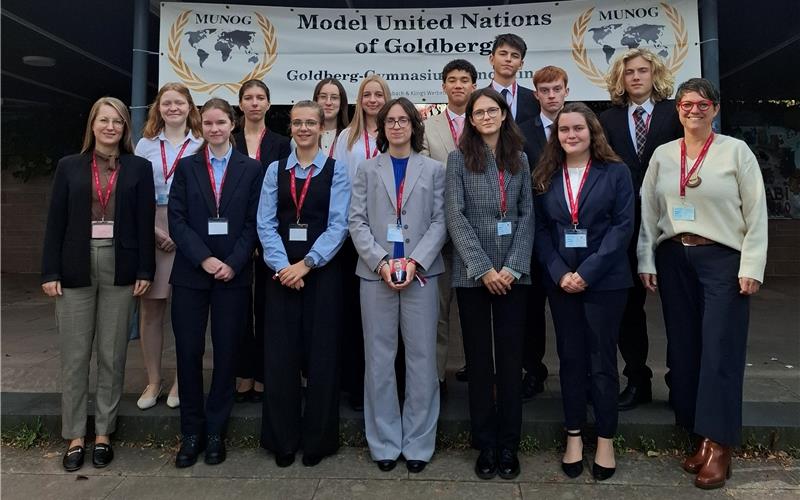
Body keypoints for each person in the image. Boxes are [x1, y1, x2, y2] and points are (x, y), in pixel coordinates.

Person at [637, 78, 768, 490]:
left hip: (722, 259)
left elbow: (757, 211)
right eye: (686, 104)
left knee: (720, 349)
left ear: (714, 109)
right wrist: (647, 258)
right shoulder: (663, 154)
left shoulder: (735, 152)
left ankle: (720, 444)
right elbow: (648, 211)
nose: (693, 110)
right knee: (687, 347)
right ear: (677, 109)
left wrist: (752, 266)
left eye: (702, 104)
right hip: (675, 257)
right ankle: (699, 434)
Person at [41, 97, 155, 472]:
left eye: (118, 122)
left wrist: (145, 270)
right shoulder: (69, 167)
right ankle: (75, 434)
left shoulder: (138, 168)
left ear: (125, 129)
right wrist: (49, 272)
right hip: (75, 263)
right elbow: (55, 221)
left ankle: (104, 432)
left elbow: (143, 221)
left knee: (112, 352)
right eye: (104, 120)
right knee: (75, 355)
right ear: (92, 125)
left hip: (121, 264)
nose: (110, 127)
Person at [532, 102, 634, 481]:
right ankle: (573, 435)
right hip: (561, 283)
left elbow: (623, 227)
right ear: (555, 136)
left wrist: (586, 273)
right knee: (570, 359)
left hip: (605, 282)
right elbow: (540, 231)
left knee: (602, 361)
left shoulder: (616, 172)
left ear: (592, 132)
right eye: (563, 130)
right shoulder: (545, 173)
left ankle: (605, 438)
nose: (571, 135)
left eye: (578, 129)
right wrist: (560, 273)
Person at [349, 97, 447, 474]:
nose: (396, 126)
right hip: (376, 275)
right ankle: (385, 441)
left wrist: (414, 260)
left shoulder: (435, 170)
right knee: (379, 360)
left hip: (422, 274)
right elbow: (356, 222)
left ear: (413, 125)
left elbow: (440, 222)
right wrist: (383, 261)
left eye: (403, 120)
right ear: (382, 127)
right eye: (390, 120)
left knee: (422, 359)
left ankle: (420, 442)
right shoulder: (367, 170)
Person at [168, 98, 262, 468]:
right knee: (189, 352)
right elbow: (176, 218)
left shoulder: (251, 169)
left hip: (233, 276)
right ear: (200, 126)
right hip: (192, 273)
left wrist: (233, 263)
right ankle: (191, 431)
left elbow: (255, 223)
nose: (215, 129)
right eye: (208, 123)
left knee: (226, 355)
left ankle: (215, 432)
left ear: (233, 124)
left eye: (221, 122)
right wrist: (203, 258)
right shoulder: (188, 167)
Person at [445, 88, 533, 480]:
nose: (485, 116)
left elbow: (527, 215)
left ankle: (509, 443)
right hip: (472, 275)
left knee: (511, 362)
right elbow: (454, 215)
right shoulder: (458, 160)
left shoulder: (521, 159)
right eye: (478, 112)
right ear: (471, 119)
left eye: (491, 110)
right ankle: (485, 442)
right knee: (480, 363)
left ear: (503, 114)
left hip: (514, 275)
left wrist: (512, 267)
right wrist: (482, 268)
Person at [257, 101, 350, 467]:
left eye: (311, 122)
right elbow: (265, 223)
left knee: (322, 357)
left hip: (322, 273)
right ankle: (282, 439)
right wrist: (284, 267)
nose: (304, 128)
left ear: (322, 126)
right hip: (280, 276)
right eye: (298, 122)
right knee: (280, 358)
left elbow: (338, 224)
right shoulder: (274, 171)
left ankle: (318, 440)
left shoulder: (335, 170)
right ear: (291, 127)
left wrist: (306, 265)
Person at [599, 48, 683, 411]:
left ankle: (680, 379)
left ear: (654, 75)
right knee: (628, 308)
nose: (636, 77)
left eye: (642, 71)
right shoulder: (608, 120)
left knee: (678, 304)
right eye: (629, 72)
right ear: (621, 78)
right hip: (624, 224)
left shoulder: (674, 113)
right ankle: (637, 379)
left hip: (670, 223)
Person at [133, 82, 202, 411]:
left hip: (189, 230)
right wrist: (152, 230)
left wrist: (183, 231)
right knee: (151, 311)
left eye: (179, 102)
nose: (173, 108)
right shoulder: (145, 146)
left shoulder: (201, 144)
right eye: (166, 103)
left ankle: (180, 380)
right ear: (158, 109)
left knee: (185, 313)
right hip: (153, 229)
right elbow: (134, 195)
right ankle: (153, 380)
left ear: (190, 106)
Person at [333, 75, 392, 411]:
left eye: (378, 94)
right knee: (355, 314)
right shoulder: (347, 136)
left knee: (385, 313)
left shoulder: (395, 130)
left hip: (388, 231)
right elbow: (339, 184)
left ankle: (386, 383)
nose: (372, 100)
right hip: (355, 232)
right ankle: (357, 386)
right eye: (367, 94)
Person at [420, 58, 477, 397]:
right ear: (443, 86)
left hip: (478, 234)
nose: (458, 85)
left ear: (473, 85)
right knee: (437, 310)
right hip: (440, 233)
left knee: (475, 311)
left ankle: (478, 368)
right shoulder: (428, 128)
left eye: (464, 79)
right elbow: (426, 180)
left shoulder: (486, 121)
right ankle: (436, 376)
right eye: (452, 80)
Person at [232, 80, 291, 404]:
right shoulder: (229, 139)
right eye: (249, 98)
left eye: (261, 98)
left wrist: (265, 238)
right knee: (239, 309)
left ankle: (267, 374)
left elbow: (286, 191)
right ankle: (244, 373)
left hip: (272, 235)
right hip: (236, 235)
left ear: (269, 104)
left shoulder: (282, 144)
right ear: (240, 104)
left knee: (269, 308)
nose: (255, 103)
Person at [518, 65, 571, 401]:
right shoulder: (522, 132)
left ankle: (574, 375)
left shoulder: (581, 126)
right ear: (535, 94)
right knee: (531, 311)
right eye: (545, 90)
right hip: (535, 233)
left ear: (567, 90)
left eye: (557, 89)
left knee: (571, 312)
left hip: (574, 234)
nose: (551, 95)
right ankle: (533, 372)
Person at [487, 33, 538, 125]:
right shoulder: (477, 99)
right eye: (503, 54)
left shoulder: (535, 99)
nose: (508, 59)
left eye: (515, 56)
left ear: (521, 64)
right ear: (491, 59)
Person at [313, 78, 350, 157]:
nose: (328, 102)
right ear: (316, 101)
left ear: (341, 103)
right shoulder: (303, 135)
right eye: (323, 97)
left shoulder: (351, 137)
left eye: (334, 97)